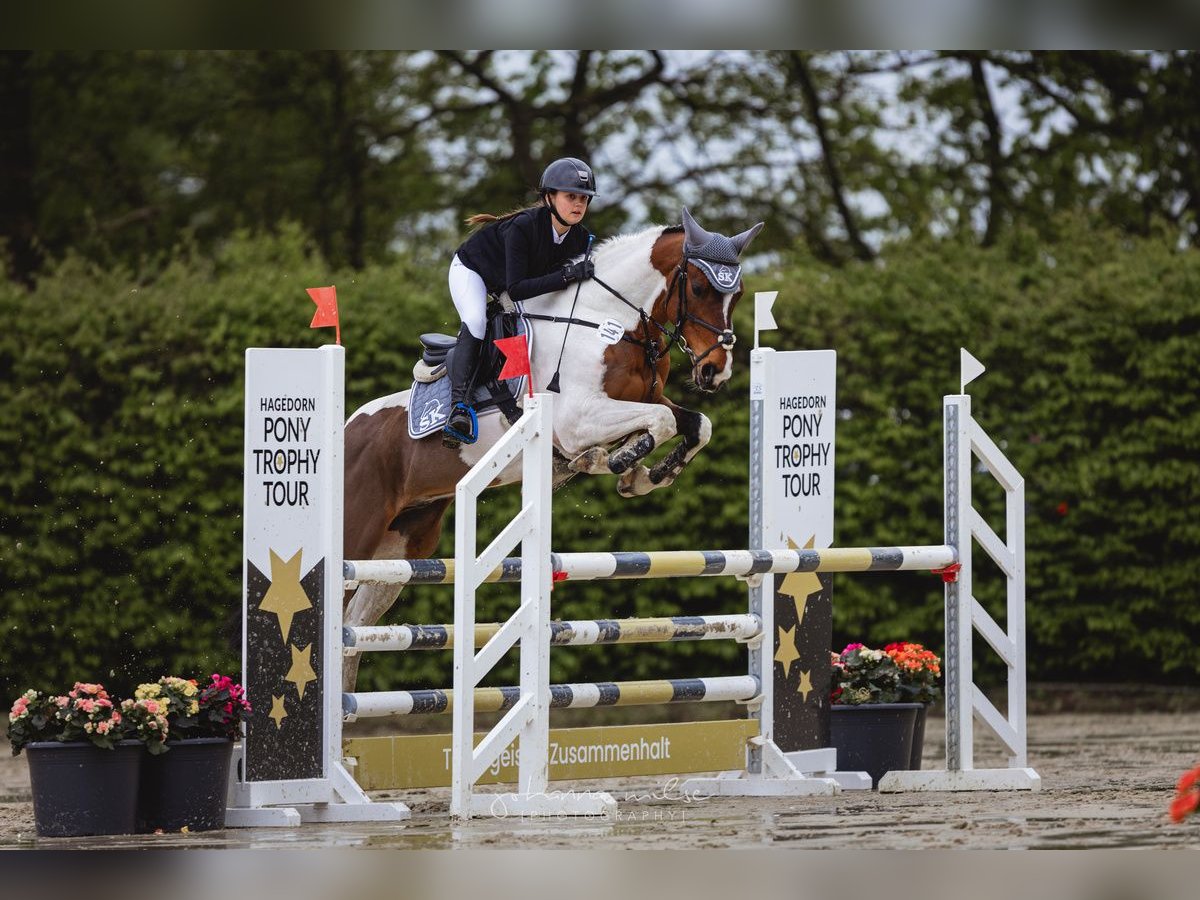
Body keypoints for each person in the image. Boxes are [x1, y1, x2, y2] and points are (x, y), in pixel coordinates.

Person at [441, 156, 597, 447]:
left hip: (511, 282)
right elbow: (516, 289)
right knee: (476, 321)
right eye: (570, 196)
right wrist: (567, 275)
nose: (578, 205)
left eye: (584, 199)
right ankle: (459, 406)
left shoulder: (581, 239)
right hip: (473, 271)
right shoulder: (523, 227)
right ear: (549, 197)